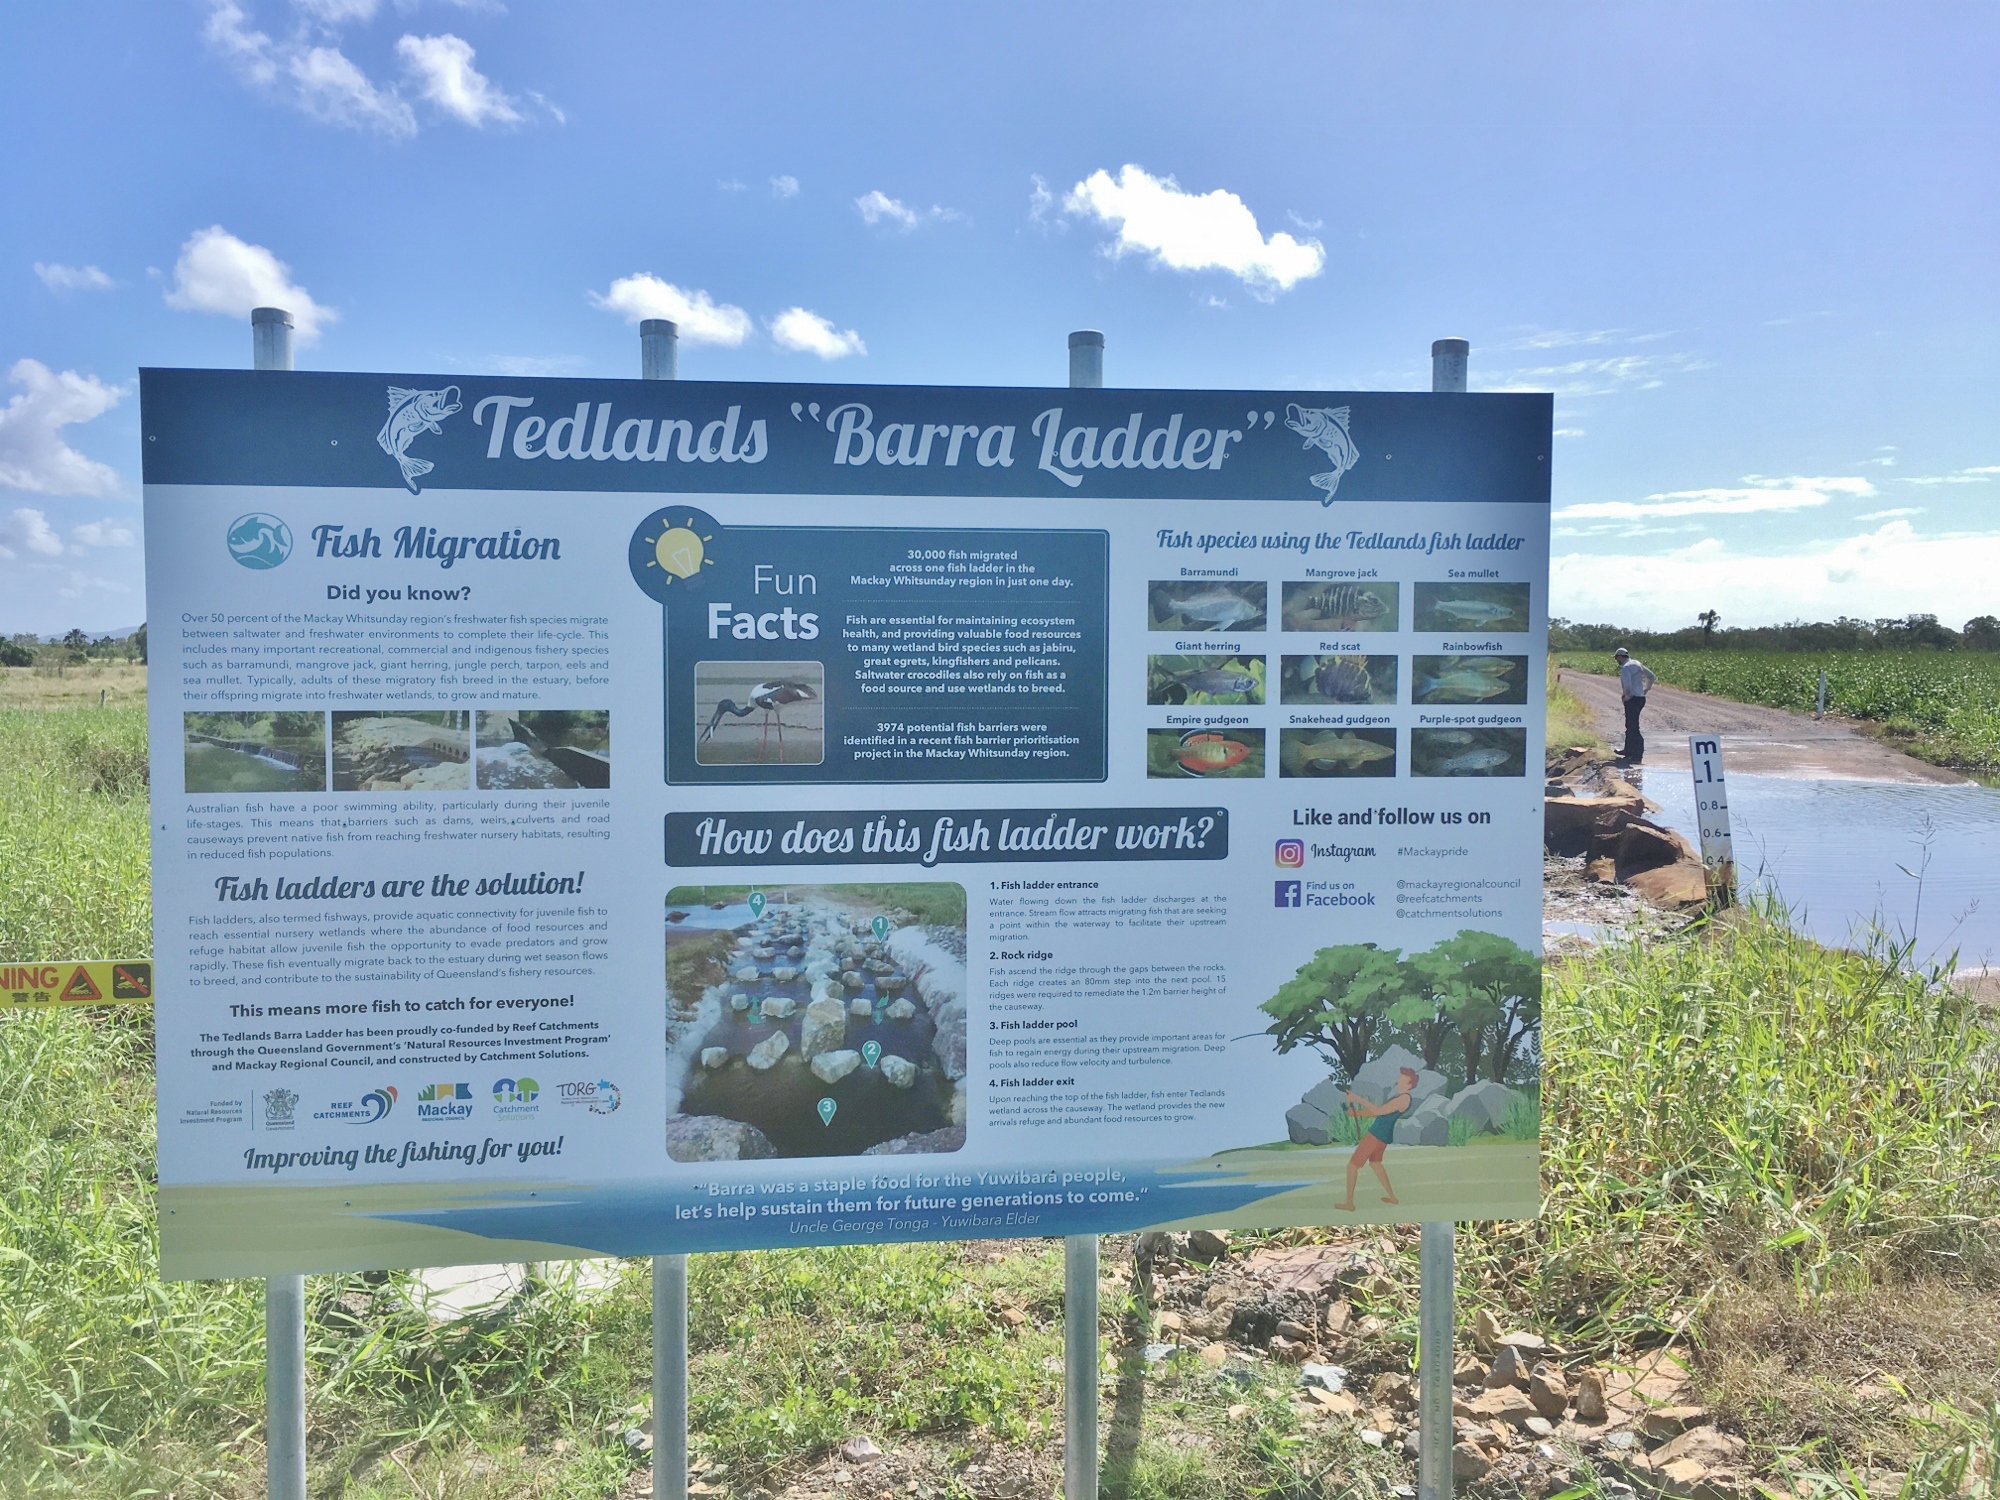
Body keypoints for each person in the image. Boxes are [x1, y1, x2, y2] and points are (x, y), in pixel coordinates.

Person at [1334, 1065, 1417, 1211]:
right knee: (1376, 1164)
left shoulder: (1404, 1099)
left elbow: (1378, 1111)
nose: (1398, 1082)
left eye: (1402, 1080)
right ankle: (1392, 1197)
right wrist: (1357, 1114)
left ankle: (1349, 1203)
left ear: (1410, 1085)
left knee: (1352, 1166)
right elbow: (1380, 1113)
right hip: (1382, 1136)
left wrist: (1357, 1098)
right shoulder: (1400, 1098)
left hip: (1376, 1135)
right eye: (1399, 1079)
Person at [1614, 646, 1657, 763]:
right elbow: (1651, 676)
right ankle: (1628, 750)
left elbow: (1627, 685)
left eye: (1616, 658)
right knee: (1630, 725)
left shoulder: (1625, 668)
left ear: (1619, 657)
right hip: (1641, 698)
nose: (1616, 660)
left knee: (1633, 727)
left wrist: (1626, 696)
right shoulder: (1637, 663)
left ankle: (1637, 755)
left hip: (1632, 698)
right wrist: (1646, 689)